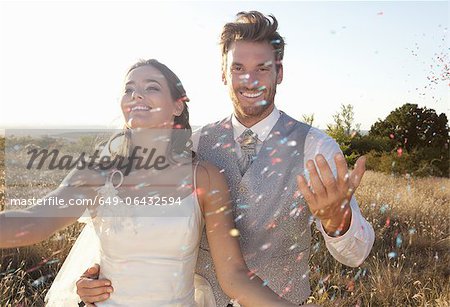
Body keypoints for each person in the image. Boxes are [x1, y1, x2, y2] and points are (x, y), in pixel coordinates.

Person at [77, 11, 375, 306]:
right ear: (223, 73)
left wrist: (339, 223)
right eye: (238, 68)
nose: (249, 80)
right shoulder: (191, 144)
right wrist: (99, 274)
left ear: (279, 73)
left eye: (262, 68)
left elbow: (356, 254)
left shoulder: (316, 148)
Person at [0, 59, 303, 307]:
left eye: (151, 87)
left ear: (177, 106)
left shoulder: (205, 178)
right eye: (129, 89)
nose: (136, 95)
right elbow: (33, 221)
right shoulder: (95, 174)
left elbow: (234, 275)